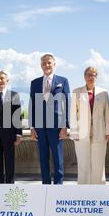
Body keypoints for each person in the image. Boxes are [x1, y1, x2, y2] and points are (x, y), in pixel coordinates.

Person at [29, 54, 70, 185]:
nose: (47, 65)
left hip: (57, 126)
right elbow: (32, 105)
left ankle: (58, 187)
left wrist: (65, 126)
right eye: (44, 63)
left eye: (49, 63)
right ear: (41, 65)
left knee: (58, 158)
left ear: (54, 64)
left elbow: (68, 103)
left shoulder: (63, 81)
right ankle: (45, 186)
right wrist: (32, 127)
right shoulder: (34, 83)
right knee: (43, 158)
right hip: (40, 127)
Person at [70, 67, 109, 184]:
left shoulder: (103, 93)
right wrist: (74, 132)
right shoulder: (77, 92)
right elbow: (73, 114)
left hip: (100, 133)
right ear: (84, 77)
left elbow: (107, 114)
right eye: (88, 75)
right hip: (81, 134)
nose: (91, 77)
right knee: (83, 164)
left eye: (93, 75)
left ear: (96, 77)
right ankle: (83, 190)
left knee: (98, 164)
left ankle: (99, 189)